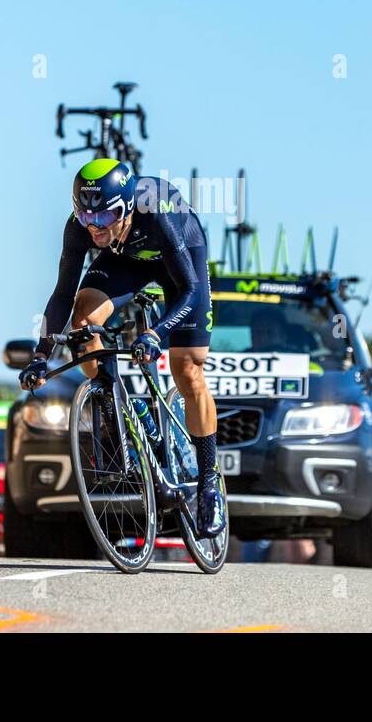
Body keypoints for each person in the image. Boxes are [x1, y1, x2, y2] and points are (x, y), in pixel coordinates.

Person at [18, 159, 224, 537]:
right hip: (124, 262)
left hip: (178, 263)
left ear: (128, 207)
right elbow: (62, 294)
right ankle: (118, 404)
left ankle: (208, 482)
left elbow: (190, 291)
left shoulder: (156, 213)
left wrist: (156, 334)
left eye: (106, 215)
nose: (95, 226)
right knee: (82, 322)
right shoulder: (82, 229)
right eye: (85, 217)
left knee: (188, 370)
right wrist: (41, 355)